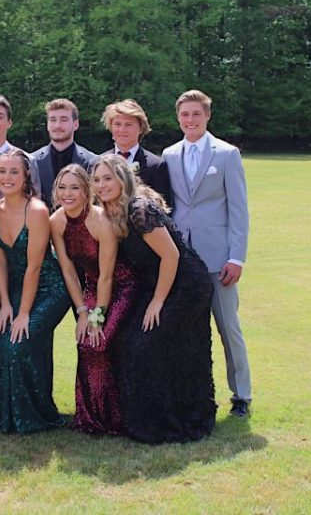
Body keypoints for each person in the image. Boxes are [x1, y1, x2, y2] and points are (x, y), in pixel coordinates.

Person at [92, 155, 215, 444]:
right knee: (131, 342)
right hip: (155, 282)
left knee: (147, 344)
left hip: (184, 285)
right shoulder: (109, 211)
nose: (101, 185)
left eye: (108, 178)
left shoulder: (139, 209)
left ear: (123, 179)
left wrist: (158, 302)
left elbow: (171, 255)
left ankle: (173, 418)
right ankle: (139, 416)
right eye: (96, 180)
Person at [162, 89, 252, 417]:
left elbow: (239, 210)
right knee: (184, 330)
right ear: (178, 117)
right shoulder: (169, 155)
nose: (190, 120)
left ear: (207, 116)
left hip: (219, 260)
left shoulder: (227, 154)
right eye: (184, 114)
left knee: (228, 327)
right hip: (181, 259)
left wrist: (236, 257)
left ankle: (241, 395)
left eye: (195, 114)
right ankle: (191, 395)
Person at [50, 164, 135, 435]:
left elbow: (108, 275)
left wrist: (98, 317)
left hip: (121, 285)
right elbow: (68, 271)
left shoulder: (101, 221)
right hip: (89, 286)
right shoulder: (56, 222)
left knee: (99, 341)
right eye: (62, 187)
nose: (68, 194)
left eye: (75, 187)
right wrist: (82, 312)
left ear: (87, 191)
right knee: (85, 342)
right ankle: (88, 418)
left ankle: (115, 418)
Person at [0, 148, 70, 433]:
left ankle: (37, 416)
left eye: (14, 171)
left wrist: (23, 313)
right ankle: (10, 416)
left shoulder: (37, 211)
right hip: (16, 287)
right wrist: (5, 304)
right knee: (3, 344)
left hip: (49, 287)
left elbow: (35, 267)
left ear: (26, 176)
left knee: (20, 342)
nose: (7, 177)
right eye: (2, 171)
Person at [100, 99, 173, 208]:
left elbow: (164, 208)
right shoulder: (97, 163)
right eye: (117, 124)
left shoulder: (156, 166)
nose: (122, 129)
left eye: (128, 124)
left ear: (141, 128)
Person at [30, 98, 98, 211]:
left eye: (64, 120)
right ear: (47, 125)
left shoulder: (92, 162)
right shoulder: (32, 161)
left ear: (75, 125)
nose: (57, 125)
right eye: (52, 120)